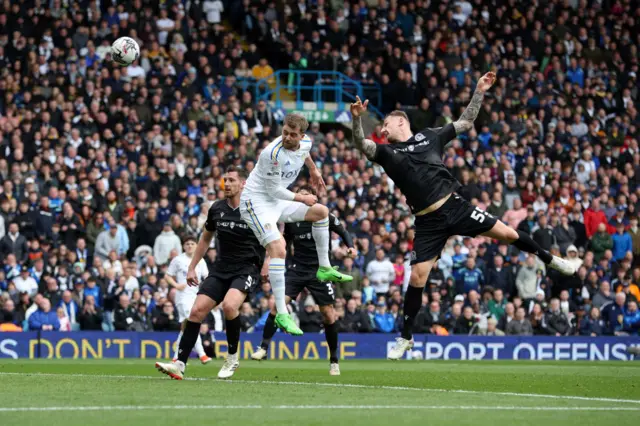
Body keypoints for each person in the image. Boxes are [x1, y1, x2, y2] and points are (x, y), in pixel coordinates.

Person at [351, 72, 576, 360]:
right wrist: (357, 118)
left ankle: (553, 260)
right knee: (417, 277)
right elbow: (361, 144)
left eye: (385, 124)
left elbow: (466, 122)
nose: (382, 130)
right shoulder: (387, 153)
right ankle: (406, 338)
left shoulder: (430, 136)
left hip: (455, 206)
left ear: (400, 122)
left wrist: (479, 90)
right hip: (428, 221)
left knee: (508, 234)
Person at [239, 113, 352, 335]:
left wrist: (313, 168)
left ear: (302, 135)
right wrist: (302, 198)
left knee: (321, 212)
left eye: (293, 135)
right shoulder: (272, 153)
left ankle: (324, 267)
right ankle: (282, 313)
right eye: (285, 133)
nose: (288, 137)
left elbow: (305, 152)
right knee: (278, 249)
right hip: (256, 203)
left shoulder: (306, 143)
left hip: (277, 202)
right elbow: (273, 190)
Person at [155, 167, 267, 380]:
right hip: (221, 268)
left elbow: (273, 238)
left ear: (243, 183)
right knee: (196, 312)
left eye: (232, 180)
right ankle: (179, 364)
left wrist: (268, 262)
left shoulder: (255, 208)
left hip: (246, 268)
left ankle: (232, 358)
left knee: (229, 306)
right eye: (225, 180)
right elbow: (205, 239)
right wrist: (191, 267)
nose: (227, 184)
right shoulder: (216, 209)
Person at [250, 186, 356, 376]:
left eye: (307, 196)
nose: (304, 200)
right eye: (301, 197)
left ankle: (334, 361)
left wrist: (351, 247)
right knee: (277, 307)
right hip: (297, 270)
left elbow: (343, 231)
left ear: (313, 200)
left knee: (329, 315)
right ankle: (263, 348)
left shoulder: (324, 216)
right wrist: (270, 260)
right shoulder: (293, 220)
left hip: (319, 271)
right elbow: (283, 243)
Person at [165, 235, 211, 364]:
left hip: (195, 296)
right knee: (191, 323)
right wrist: (176, 285)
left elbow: (207, 278)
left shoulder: (201, 261)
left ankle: (175, 357)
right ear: (183, 246)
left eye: (192, 244)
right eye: (187, 244)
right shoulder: (178, 260)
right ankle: (202, 354)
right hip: (182, 296)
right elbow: (168, 276)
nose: (190, 246)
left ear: (197, 246)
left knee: (186, 328)